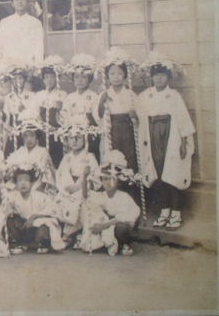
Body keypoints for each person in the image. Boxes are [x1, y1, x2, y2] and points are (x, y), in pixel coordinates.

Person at [137, 51, 195, 230]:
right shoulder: (145, 96)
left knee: (173, 172)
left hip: (170, 136)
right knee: (158, 172)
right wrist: (133, 115)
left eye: (162, 75)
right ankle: (164, 210)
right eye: (156, 75)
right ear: (151, 77)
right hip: (152, 136)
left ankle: (176, 212)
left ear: (168, 77)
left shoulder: (174, 96)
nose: (159, 79)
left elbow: (183, 119)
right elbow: (139, 115)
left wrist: (184, 141)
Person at [95, 48, 140, 202]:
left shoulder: (130, 95)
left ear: (125, 76)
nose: (116, 77)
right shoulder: (105, 94)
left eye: (119, 74)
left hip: (126, 130)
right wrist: (101, 102)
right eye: (112, 74)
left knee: (129, 159)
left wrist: (134, 116)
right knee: (112, 159)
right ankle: (112, 194)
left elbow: (138, 117)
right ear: (107, 76)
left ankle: (130, 195)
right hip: (111, 129)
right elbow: (98, 116)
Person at [79, 150, 140, 256]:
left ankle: (125, 243)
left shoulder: (123, 197)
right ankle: (107, 243)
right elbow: (86, 197)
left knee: (121, 228)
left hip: (123, 224)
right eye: (105, 179)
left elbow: (127, 218)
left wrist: (103, 226)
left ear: (118, 182)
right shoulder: (102, 195)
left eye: (112, 179)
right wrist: (84, 176)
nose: (108, 183)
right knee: (90, 211)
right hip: (108, 225)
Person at [53, 119, 99, 245]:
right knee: (59, 202)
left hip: (83, 189)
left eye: (78, 138)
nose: (74, 141)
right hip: (67, 190)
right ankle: (64, 232)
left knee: (79, 204)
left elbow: (94, 178)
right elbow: (60, 175)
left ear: (84, 139)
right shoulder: (66, 157)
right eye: (71, 138)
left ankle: (71, 233)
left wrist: (78, 186)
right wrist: (65, 188)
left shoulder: (89, 157)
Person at [2, 163, 65, 254]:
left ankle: (41, 243)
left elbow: (52, 210)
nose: (23, 183)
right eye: (20, 180)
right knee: (10, 220)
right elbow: (6, 208)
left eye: (26, 180)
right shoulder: (13, 196)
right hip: (23, 226)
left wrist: (34, 217)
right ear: (15, 183)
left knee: (44, 225)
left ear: (32, 183)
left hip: (36, 226)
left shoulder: (41, 196)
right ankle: (19, 244)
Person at [61, 53, 100, 162]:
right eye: (77, 77)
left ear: (89, 79)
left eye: (84, 77)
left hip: (89, 134)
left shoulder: (94, 96)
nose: (80, 80)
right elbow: (65, 117)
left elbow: (97, 118)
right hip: (73, 134)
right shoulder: (69, 97)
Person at [0, 0, 44, 66]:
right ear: (12, 3)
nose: (20, 2)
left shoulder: (35, 23)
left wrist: (38, 66)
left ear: (28, 2)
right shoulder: (4, 22)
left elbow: (39, 47)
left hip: (28, 65)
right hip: (8, 66)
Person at [7, 119, 55, 193]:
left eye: (32, 136)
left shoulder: (42, 151)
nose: (29, 139)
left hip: (37, 183)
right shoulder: (20, 151)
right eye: (26, 136)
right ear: (23, 138)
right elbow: (10, 169)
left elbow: (47, 173)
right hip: (20, 183)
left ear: (36, 137)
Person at [35, 55, 67, 168]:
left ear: (57, 78)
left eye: (53, 77)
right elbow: (35, 115)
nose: (49, 80)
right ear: (43, 79)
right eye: (46, 77)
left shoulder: (62, 95)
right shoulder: (39, 95)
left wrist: (60, 109)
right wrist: (42, 125)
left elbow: (66, 118)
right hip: (43, 134)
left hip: (56, 135)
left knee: (56, 160)